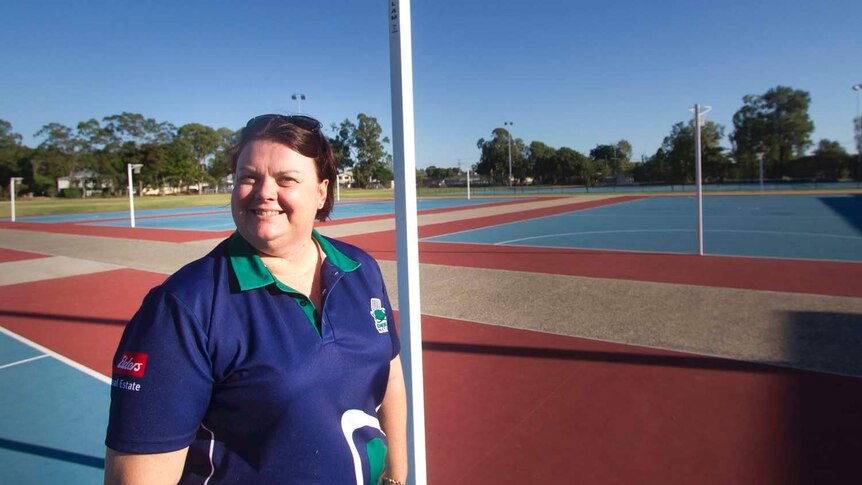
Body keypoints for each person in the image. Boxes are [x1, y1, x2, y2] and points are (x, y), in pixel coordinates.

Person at [104, 114, 408, 485]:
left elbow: (389, 375)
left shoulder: (361, 269)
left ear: (322, 191)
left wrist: (396, 476)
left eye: (287, 180)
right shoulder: (181, 308)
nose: (264, 192)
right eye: (249, 177)